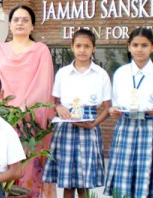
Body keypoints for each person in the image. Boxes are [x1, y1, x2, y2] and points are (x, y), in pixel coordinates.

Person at [0, 5, 55, 197]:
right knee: (0, 170)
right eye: (16, 19)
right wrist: (3, 110)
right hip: (2, 119)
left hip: (29, 120)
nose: (20, 23)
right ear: (9, 24)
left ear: (32, 26)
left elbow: (43, 86)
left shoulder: (41, 50)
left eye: (25, 20)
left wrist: (23, 112)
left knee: (28, 170)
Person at [103, 27, 153, 197]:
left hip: (150, 129)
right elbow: (115, 105)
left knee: (148, 179)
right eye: (135, 45)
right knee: (123, 178)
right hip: (125, 127)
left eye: (144, 45)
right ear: (129, 47)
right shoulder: (120, 73)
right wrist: (113, 110)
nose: (139, 49)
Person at [42, 29, 112, 198]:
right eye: (78, 45)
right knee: (67, 184)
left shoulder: (100, 74)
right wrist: (58, 108)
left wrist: (94, 123)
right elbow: (55, 102)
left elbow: (107, 107)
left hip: (89, 126)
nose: (82, 50)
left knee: (83, 184)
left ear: (93, 48)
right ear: (72, 47)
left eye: (87, 46)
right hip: (66, 127)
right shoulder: (63, 73)